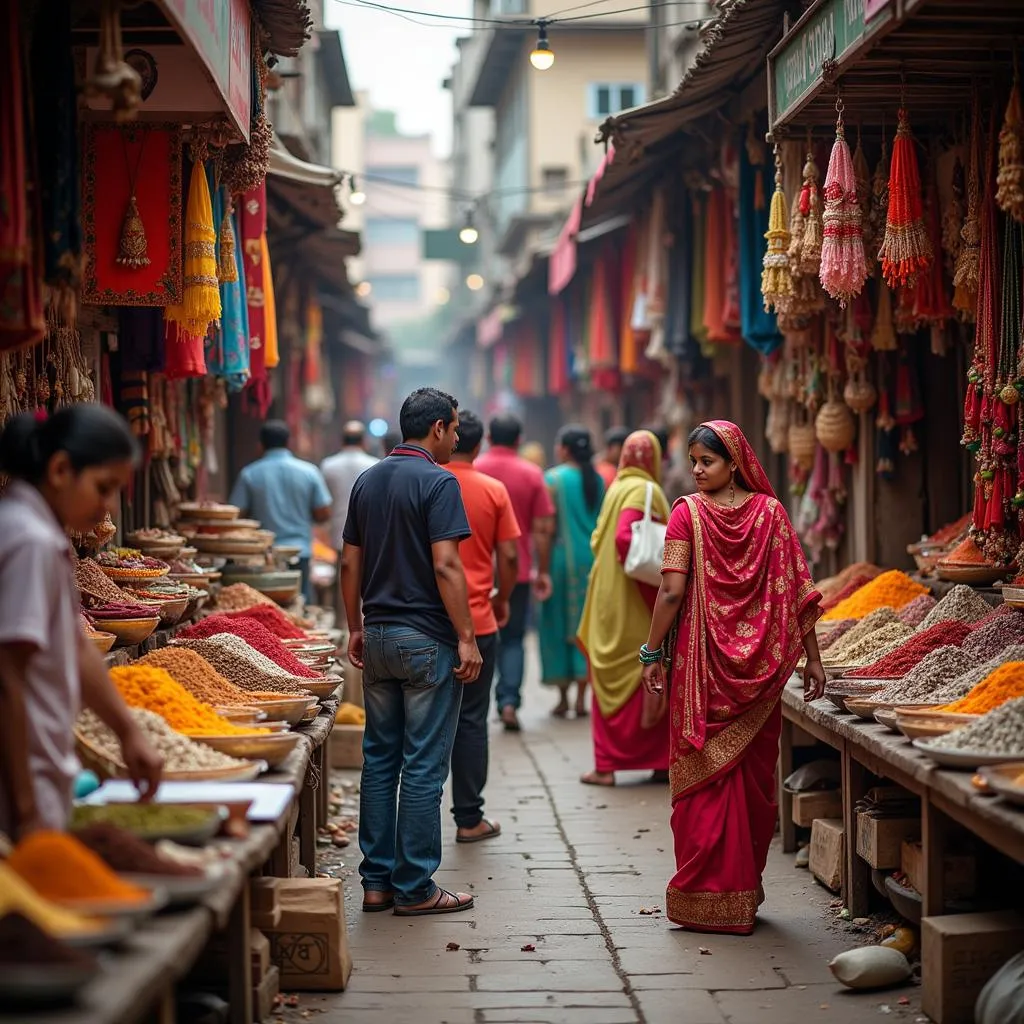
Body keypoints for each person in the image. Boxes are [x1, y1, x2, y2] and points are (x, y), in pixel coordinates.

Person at [640, 421, 825, 936]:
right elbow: (799, 594)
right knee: (750, 786)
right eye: (694, 461)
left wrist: (651, 651)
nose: (697, 471)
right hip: (758, 676)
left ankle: (712, 900)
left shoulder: (688, 516)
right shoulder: (772, 514)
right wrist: (811, 658)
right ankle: (737, 899)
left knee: (711, 787)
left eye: (708, 462)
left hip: (703, 674)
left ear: (735, 462)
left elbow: (671, 592)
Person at [341, 387, 483, 917]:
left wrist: (355, 627)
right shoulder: (439, 481)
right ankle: (417, 887)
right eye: (454, 428)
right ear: (439, 429)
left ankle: (376, 883)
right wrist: (467, 637)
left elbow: (349, 564)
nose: (457, 437)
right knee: (422, 765)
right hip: (426, 642)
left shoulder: (367, 481)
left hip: (377, 637)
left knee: (379, 760)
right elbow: (447, 565)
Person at [0, 405, 163, 839]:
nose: (108, 506)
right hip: (20, 791)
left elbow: (73, 646)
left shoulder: (42, 534)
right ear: (59, 469)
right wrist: (26, 810)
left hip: (38, 779)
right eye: (103, 488)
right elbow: (7, 677)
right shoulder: (28, 540)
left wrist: (128, 733)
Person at [577, 431, 670, 786]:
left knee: (609, 675)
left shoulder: (617, 486)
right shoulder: (645, 489)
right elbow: (623, 538)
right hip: (636, 599)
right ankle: (659, 761)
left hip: (607, 598)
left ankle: (606, 766)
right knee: (649, 668)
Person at [445, 411, 520, 843]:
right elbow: (509, 557)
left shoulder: (428, 483)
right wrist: (503, 598)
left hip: (430, 622)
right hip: (480, 619)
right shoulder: (492, 489)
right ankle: (469, 819)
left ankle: (410, 829)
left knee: (425, 724)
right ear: (478, 445)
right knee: (472, 719)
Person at [476, 414, 554, 732]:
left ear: (489, 438)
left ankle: (475, 706)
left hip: (476, 570)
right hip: (518, 572)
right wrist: (543, 570)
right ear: (519, 440)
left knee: (477, 637)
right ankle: (508, 701)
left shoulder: (474, 469)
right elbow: (543, 528)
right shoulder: (532, 473)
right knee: (512, 639)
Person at [539, 425, 604, 718]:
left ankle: (564, 697)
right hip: (592, 560)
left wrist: (540, 567)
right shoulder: (598, 480)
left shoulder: (553, 479)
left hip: (561, 560)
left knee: (557, 624)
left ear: (564, 449)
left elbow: (547, 528)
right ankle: (581, 698)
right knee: (585, 626)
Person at [229, 420, 332, 604]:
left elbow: (236, 516)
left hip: (263, 556)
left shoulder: (250, 474)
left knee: (265, 609)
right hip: (299, 552)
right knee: (300, 609)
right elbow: (323, 513)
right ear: (288, 443)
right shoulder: (309, 472)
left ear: (261, 445)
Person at [321, 420, 378, 559]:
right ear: (364, 441)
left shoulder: (328, 465)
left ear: (342, 440)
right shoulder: (375, 465)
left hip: (338, 532)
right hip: (367, 533)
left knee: (342, 572)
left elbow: (324, 503)